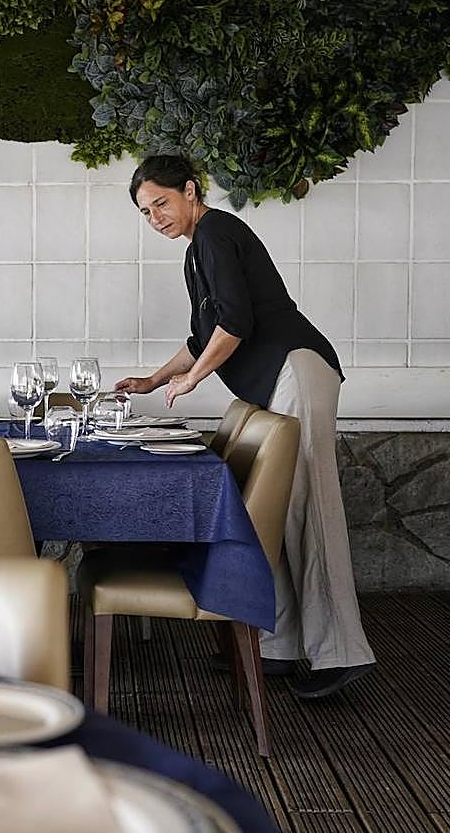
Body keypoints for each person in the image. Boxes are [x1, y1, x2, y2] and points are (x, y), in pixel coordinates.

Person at [114, 154, 375, 699]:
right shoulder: (196, 252)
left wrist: (191, 383)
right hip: (273, 378)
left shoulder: (217, 232)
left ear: (190, 191)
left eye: (161, 202)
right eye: (145, 211)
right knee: (277, 508)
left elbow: (235, 324)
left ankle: (340, 652)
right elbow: (201, 337)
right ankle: (278, 645)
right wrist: (152, 379)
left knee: (308, 505)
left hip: (296, 368)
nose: (155, 216)